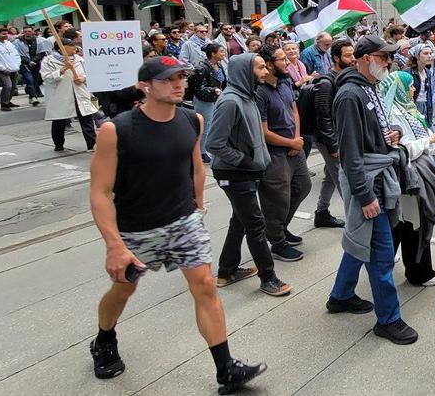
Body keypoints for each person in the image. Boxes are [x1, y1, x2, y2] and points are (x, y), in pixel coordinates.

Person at [87, 57, 265, 393]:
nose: (179, 83)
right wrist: (114, 246)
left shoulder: (191, 119)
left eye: (182, 76)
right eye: (168, 79)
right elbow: (100, 192)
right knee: (124, 289)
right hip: (137, 229)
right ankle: (104, 339)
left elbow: (196, 166)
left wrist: (197, 207)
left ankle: (226, 368)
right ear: (145, 86)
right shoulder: (117, 130)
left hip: (184, 222)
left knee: (205, 286)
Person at [327, 35, 419, 345]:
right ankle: (388, 320)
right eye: (384, 57)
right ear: (366, 59)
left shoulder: (369, 87)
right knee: (381, 253)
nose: (389, 62)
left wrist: (391, 134)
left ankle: (340, 296)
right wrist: (365, 196)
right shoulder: (350, 95)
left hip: (376, 175)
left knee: (361, 239)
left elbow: (376, 131)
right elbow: (350, 153)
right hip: (369, 182)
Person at [206, 52, 293, 297]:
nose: (265, 71)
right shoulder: (230, 101)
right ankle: (269, 278)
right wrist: (244, 161)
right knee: (255, 224)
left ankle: (227, 270)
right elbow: (214, 143)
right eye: (260, 68)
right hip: (233, 173)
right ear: (245, 71)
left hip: (244, 171)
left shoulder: (247, 96)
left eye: (265, 67)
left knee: (240, 220)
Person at [382, 71, 435, 286]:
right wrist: (431, 140)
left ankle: (386, 261)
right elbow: (401, 150)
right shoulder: (392, 114)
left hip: (417, 172)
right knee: (413, 225)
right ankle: (418, 272)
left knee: (407, 224)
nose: (413, 89)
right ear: (399, 89)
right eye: (409, 85)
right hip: (408, 178)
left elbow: (422, 139)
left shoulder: (407, 109)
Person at [254, 44, 313, 262]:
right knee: (278, 198)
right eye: (282, 59)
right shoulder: (259, 92)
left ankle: (280, 228)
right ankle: (277, 242)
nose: (288, 62)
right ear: (269, 65)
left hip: (294, 147)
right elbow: (263, 132)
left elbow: (294, 111)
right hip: (274, 153)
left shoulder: (285, 82)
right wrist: (290, 143)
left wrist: (296, 140)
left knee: (303, 186)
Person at [307, 38, 351, 229]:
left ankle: (321, 213)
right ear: (336, 58)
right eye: (348, 55)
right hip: (328, 140)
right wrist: (333, 146)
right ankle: (356, 221)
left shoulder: (343, 78)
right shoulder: (326, 82)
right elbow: (323, 116)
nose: (352, 59)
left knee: (330, 176)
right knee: (343, 179)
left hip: (339, 136)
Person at [40, 38, 98, 152]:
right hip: (60, 95)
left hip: (80, 93)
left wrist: (82, 78)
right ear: (61, 48)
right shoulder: (48, 61)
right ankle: (58, 144)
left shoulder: (79, 59)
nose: (74, 48)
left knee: (86, 117)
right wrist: (63, 69)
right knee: (59, 120)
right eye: (71, 46)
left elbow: (89, 73)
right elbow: (46, 78)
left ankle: (92, 144)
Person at [190, 43, 227, 163]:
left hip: (216, 100)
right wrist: (213, 90)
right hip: (204, 102)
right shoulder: (201, 68)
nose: (224, 53)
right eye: (221, 51)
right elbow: (198, 89)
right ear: (213, 54)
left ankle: (207, 149)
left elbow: (223, 82)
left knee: (213, 126)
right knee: (205, 127)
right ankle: (201, 152)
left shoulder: (219, 66)